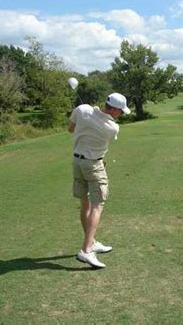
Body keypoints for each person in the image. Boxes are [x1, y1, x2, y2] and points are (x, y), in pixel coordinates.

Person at [68, 92, 130, 268]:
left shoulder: (82, 109)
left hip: (77, 162)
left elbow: (71, 129)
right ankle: (86, 250)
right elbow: (106, 128)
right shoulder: (112, 128)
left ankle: (92, 241)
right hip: (94, 165)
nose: (122, 114)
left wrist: (86, 119)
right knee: (97, 205)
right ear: (115, 110)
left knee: (85, 203)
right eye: (121, 111)